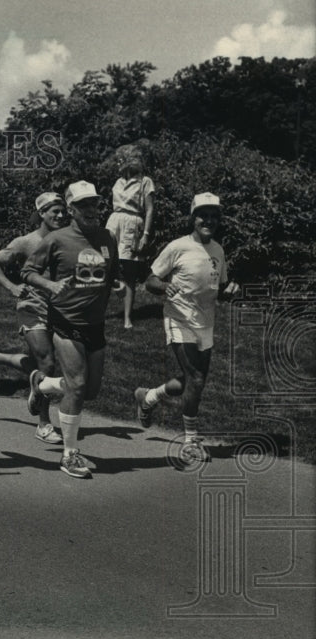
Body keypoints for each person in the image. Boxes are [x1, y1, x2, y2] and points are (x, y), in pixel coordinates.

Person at [20, 181, 120, 478]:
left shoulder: (107, 237)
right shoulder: (57, 240)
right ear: (71, 210)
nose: (92, 210)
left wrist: (117, 283)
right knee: (76, 386)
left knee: (90, 391)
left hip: (95, 323)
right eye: (84, 205)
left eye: (95, 204)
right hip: (65, 320)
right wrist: (50, 285)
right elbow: (28, 271)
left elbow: (112, 273)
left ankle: (42, 385)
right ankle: (69, 454)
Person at [134, 193, 239, 463]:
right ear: (193, 218)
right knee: (196, 379)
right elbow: (150, 280)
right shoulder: (177, 247)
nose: (209, 220)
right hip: (178, 318)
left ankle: (148, 398)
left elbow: (221, 287)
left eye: (215, 216)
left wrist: (232, 290)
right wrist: (165, 286)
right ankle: (191, 442)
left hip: (206, 323)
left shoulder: (218, 250)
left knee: (189, 382)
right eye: (204, 215)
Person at [0, 191, 70, 444]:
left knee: (43, 365)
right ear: (41, 213)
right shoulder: (26, 242)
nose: (61, 215)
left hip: (62, 308)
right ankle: (44, 424)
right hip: (32, 306)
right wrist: (11, 287)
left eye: (63, 211)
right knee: (47, 364)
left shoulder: (69, 239)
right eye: (54, 211)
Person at [106, 146, 155, 330]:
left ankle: (127, 318)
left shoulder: (145, 181)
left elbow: (150, 210)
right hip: (114, 221)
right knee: (105, 263)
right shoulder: (118, 182)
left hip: (133, 224)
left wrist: (146, 235)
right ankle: (100, 310)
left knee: (129, 272)